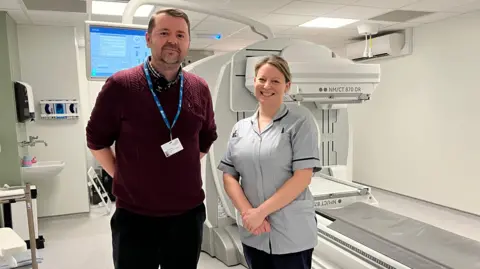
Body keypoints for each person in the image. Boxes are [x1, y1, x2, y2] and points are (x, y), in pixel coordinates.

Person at [86, 8, 218, 269]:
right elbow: (96, 140)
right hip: (135, 217)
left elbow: (205, 140)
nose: (173, 40)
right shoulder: (121, 85)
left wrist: (176, 167)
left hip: (186, 216)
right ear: (148, 39)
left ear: (188, 42)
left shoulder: (198, 88)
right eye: (164, 33)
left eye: (180, 34)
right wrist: (123, 175)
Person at [217, 55, 321, 269]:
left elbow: (303, 177)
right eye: (262, 79)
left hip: (291, 232)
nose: (267, 86)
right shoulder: (241, 128)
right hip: (253, 231)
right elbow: (229, 175)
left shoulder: (301, 120)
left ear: (287, 86)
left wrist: (260, 213)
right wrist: (249, 213)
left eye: (275, 81)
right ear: (254, 82)